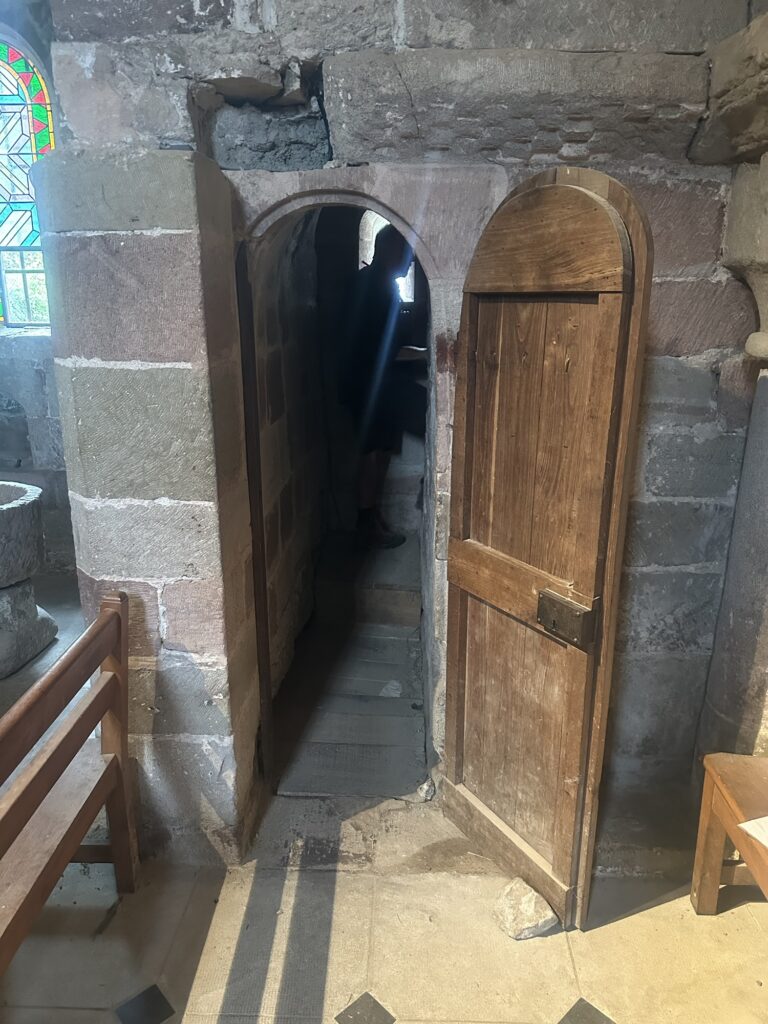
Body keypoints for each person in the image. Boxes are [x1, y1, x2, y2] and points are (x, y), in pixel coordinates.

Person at [340, 224, 427, 548]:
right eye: (406, 254)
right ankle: (366, 523)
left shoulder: (382, 286)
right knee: (372, 453)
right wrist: (423, 353)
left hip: (380, 384)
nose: (410, 261)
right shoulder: (370, 287)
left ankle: (373, 515)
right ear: (389, 252)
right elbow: (376, 346)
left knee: (383, 451)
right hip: (367, 386)